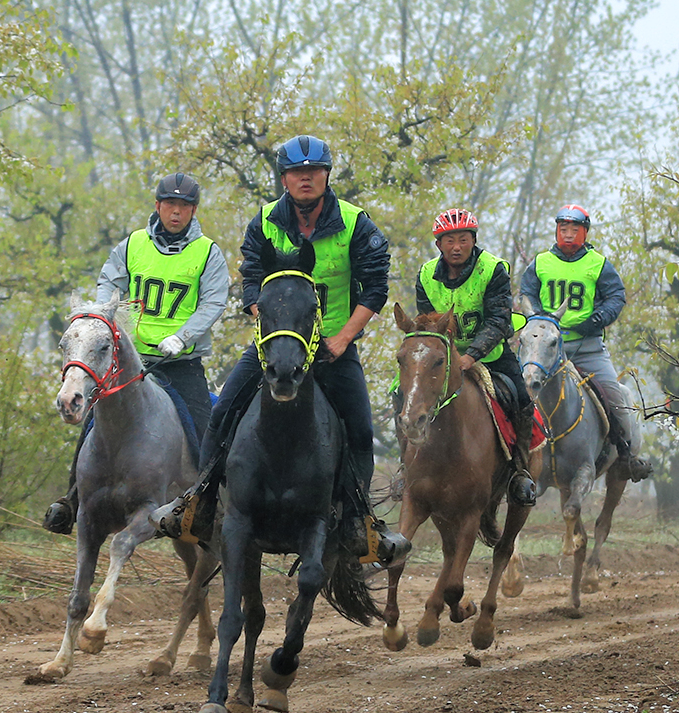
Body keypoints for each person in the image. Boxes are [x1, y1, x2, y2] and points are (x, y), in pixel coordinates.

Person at [163, 133, 399, 551]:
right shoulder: (266, 219)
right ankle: (198, 502)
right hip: (274, 346)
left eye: (313, 172)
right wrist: (270, 324)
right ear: (284, 179)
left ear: (326, 176)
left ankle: (360, 523)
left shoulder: (355, 222)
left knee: (361, 430)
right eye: (296, 173)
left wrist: (344, 339)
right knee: (222, 415)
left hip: (332, 349)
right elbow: (250, 280)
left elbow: (376, 287)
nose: (305, 179)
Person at [42, 172, 230, 534]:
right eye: (170, 205)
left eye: (184, 207)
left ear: (193, 211)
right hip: (130, 361)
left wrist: (183, 335)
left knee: (203, 424)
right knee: (96, 420)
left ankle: (210, 502)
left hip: (180, 361)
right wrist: (101, 324)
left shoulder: (208, 252)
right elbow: (108, 286)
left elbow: (214, 302)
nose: (176, 213)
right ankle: (72, 499)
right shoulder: (131, 246)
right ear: (158, 206)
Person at [517, 202, 654, 481]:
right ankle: (512, 458)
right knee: (517, 394)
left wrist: (597, 318)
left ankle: (627, 455)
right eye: (563, 229)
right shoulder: (540, 262)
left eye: (574, 230)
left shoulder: (599, 264)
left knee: (616, 396)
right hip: (545, 349)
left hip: (586, 347)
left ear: (585, 233)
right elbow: (526, 295)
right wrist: (539, 320)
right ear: (556, 231)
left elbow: (616, 297)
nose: (568, 235)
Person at [413, 208, 540, 505]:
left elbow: (499, 321)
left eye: (463, 239)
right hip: (442, 357)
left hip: (492, 354)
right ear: (439, 244)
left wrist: (470, 357)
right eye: (449, 241)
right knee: (404, 392)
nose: (456, 247)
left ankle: (520, 471)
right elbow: (426, 322)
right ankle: (410, 464)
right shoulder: (426, 275)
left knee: (521, 398)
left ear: (473, 240)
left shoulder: (493, 269)